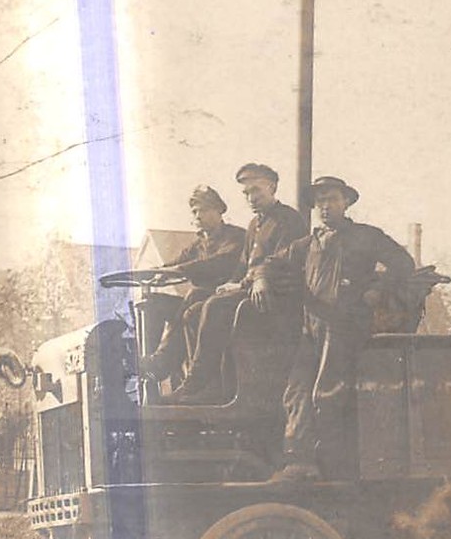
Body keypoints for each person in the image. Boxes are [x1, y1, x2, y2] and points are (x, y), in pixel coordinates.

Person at [253, 176, 416, 482]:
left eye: (332, 200)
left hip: (347, 325)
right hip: (312, 328)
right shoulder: (308, 243)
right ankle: (299, 462)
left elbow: (404, 264)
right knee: (296, 391)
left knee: (327, 393)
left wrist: (377, 290)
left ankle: (332, 472)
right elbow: (269, 262)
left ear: (347, 202)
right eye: (320, 202)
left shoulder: (366, 237)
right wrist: (261, 278)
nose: (325, 207)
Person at [170, 163, 307, 404]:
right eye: (246, 193)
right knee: (193, 311)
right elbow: (243, 266)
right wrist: (232, 282)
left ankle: (196, 382)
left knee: (214, 306)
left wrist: (244, 284)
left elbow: (284, 263)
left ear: (272, 187)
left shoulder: (289, 220)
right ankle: (210, 385)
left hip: (276, 300)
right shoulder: (254, 226)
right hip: (251, 293)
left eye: (256, 191)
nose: (251, 198)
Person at [139, 185, 244, 385]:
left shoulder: (235, 236)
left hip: (223, 299)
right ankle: (152, 366)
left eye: (203, 210)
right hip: (198, 299)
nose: (198, 216)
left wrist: (181, 270)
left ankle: (165, 359)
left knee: (194, 295)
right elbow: (177, 262)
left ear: (219, 210)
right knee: (154, 304)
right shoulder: (198, 243)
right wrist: (158, 271)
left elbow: (219, 263)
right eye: (195, 211)